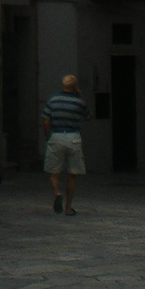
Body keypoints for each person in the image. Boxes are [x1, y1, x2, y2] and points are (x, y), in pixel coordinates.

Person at [42, 73, 89, 214]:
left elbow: (45, 120)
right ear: (75, 87)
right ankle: (68, 207)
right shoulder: (78, 102)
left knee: (54, 173)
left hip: (56, 136)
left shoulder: (52, 100)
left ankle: (57, 192)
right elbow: (89, 115)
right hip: (73, 137)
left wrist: (47, 135)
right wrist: (80, 97)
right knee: (72, 174)